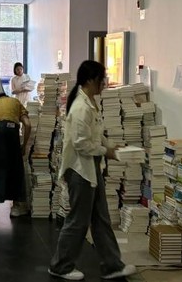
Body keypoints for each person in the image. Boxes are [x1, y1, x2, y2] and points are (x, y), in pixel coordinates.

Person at [48, 60, 136, 281]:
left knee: (101, 218)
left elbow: (95, 134)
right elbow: (81, 144)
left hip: (91, 167)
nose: (104, 84)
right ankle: (60, 266)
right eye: (101, 80)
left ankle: (112, 265)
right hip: (80, 170)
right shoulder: (81, 107)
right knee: (78, 220)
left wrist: (112, 146)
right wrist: (107, 152)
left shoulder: (90, 103)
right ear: (90, 80)